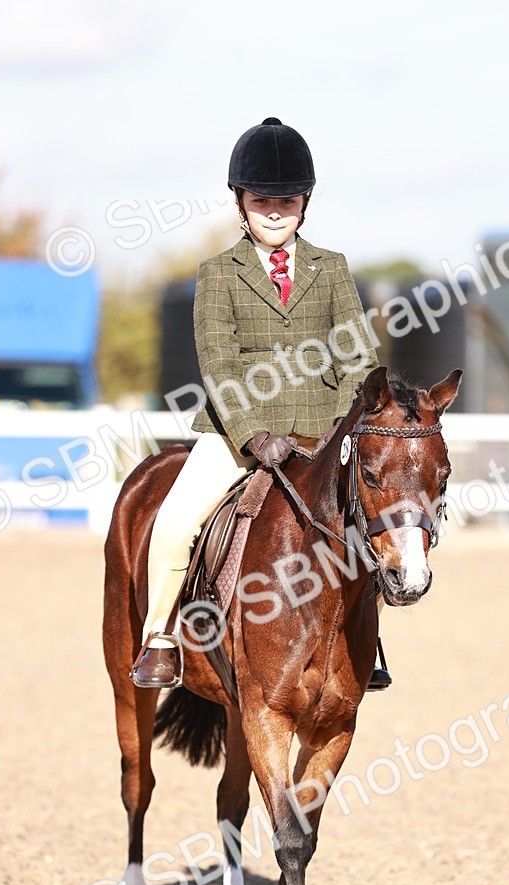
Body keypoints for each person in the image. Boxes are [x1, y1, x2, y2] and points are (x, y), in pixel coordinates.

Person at [130, 117, 390, 691]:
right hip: (236, 434)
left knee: (369, 518)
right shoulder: (218, 274)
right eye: (262, 201)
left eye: (286, 201)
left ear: (304, 204)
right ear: (240, 203)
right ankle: (161, 638)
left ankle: (366, 641)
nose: (274, 212)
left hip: (321, 433)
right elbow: (218, 364)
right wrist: (251, 434)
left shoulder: (332, 268)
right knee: (174, 522)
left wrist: (346, 426)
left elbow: (357, 357)